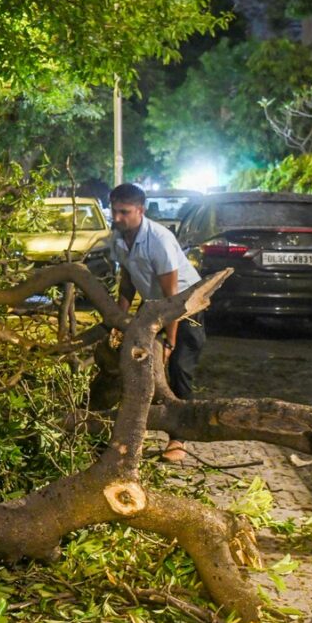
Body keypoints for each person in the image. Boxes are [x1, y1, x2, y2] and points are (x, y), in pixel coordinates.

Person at [108, 183, 205, 462]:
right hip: (153, 304)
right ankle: (135, 429)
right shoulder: (118, 238)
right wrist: (118, 322)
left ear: (140, 210)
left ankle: (179, 438)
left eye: (124, 212)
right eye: (115, 211)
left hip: (186, 306)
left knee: (179, 368)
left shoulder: (159, 240)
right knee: (134, 361)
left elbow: (171, 297)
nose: (118, 218)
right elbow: (127, 283)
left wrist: (169, 343)